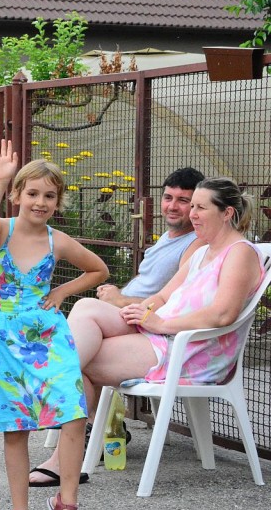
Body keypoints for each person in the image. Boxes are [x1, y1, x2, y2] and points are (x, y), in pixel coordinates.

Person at [0, 141, 108, 510]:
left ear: (58, 202)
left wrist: (62, 291)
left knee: (73, 412)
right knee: (15, 427)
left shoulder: (58, 241)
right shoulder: (1, 230)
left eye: (49, 196)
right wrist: (0, 179)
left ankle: (67, 504)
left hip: (47, 337)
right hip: (3, 340)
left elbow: (98, 270)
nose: (40, 202)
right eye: (32, 193)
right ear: (17, 196)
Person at [65, 177, 261, 468]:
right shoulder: (202, 252)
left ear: (227, 213)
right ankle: (71, 432)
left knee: (78, 363)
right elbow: (162, 296)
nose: (192, 214)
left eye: (200, 208)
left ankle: (63, 434)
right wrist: (141, 311)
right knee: (86, 307)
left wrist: (159, 324)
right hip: (163, 335)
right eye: (192, 207)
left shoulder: (240, 253)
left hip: (191, 350)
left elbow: (223, 315)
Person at [28, 167, 205, 487]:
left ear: (196, 206)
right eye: (168, 198)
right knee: (82, 352)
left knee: (84, 311)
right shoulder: (168, 237)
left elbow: (175, 299)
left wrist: (121, 300)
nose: (173, 206)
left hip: (148, 324)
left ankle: (49, 393)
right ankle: (96, 429)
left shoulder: (194, 245)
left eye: (183, 201)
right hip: (130, 315)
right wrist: (119, 298)